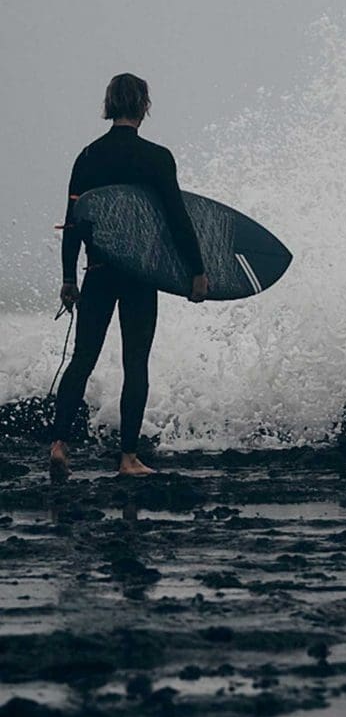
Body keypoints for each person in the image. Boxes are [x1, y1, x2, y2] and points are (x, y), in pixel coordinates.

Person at [49, 74, 209, 480]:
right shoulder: (156, 157)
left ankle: (59, 444)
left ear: (109, 104)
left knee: (82, 359)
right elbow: (177, 219)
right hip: (140, 274)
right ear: (144, 106)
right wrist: (196, 270)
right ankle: (128, 458)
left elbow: (74, 221)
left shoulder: (88, 156)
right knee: (135, 363)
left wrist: (68, 277)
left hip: (98, 271)